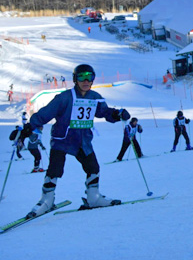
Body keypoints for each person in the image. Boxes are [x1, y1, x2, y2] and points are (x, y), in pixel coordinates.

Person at [27, 64, 130, 218]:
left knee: (93, 167)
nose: (86, 80)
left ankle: (93, 198)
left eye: (90, 77)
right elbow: (46, 113)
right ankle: (46, 200)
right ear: (75, 79)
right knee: (55, 169)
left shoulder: (95, 97)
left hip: (82, 141)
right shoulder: (65, 97)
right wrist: (30, 127)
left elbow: (104, 112)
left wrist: (117, 114)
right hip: (63, 139)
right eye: (82, 77)